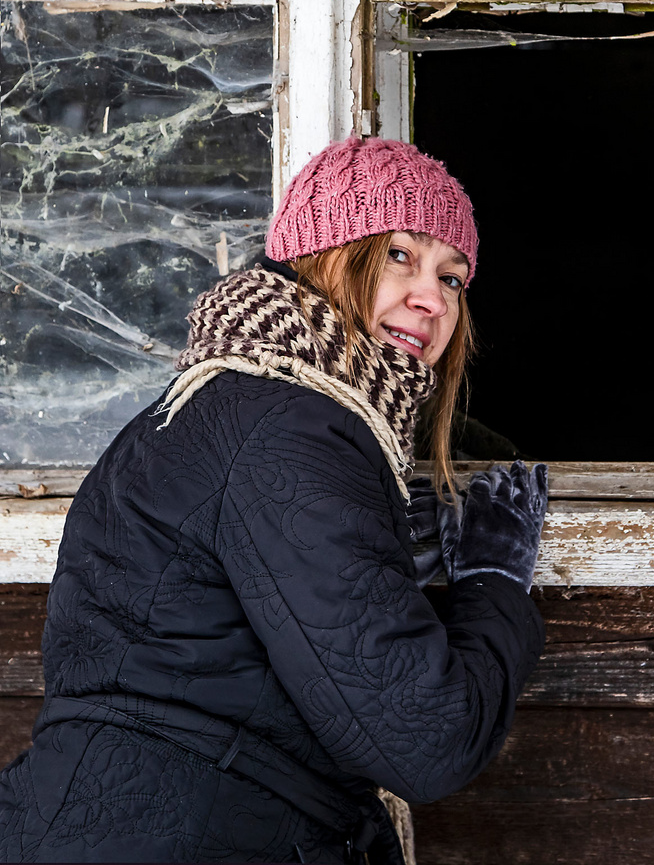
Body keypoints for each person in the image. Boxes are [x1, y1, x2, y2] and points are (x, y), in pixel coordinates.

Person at [0, 136, 548, 864]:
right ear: (324, 256)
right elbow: (428, 740)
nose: (432, 297)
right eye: (399, 255)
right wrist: (493, 588)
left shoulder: (235, 401)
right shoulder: (287, 426)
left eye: (454, 278)